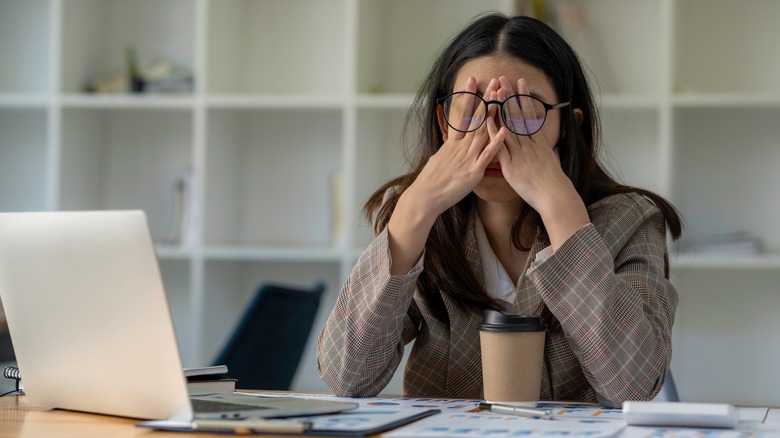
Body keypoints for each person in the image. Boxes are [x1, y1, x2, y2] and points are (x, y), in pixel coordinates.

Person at [316, 13, 681, 408]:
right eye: (471, 108)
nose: (494, 134)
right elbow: (346, 377)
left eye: (523, 111)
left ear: (567, 126)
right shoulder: (417, 217)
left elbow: (632, 388)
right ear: (444, 123)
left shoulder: (631, 220)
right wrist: (414, 210)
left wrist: (562, 211)